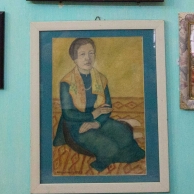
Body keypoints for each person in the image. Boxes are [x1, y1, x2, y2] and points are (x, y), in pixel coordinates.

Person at [54, 37, 145, 172]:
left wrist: (96, 123)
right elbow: (68, 114)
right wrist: (92, 115)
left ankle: (116, 137)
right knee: (109, 147)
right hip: (76, 124)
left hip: (97, 119)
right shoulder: (66, 82)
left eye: (91, 53)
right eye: (82, 54)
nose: (87, 58)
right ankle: (100, 163)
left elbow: (107, 106)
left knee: (125, 134)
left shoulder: (101, 79)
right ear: (75, 59)